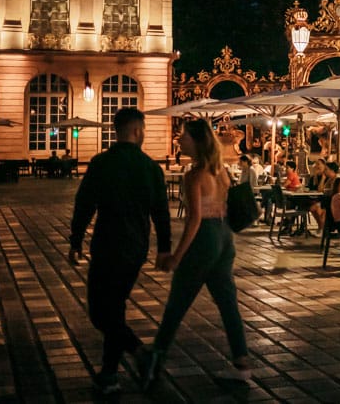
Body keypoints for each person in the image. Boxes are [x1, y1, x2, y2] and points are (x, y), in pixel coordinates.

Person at [68, 107, 171, 395]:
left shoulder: (101, 163)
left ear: (117, 130)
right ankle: (130, 360)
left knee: (102, 312)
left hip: (106, 244)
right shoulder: (151, 168)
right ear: (137, 130)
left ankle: (113, 372)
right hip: (136, 246)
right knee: (112, 309)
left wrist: (76, 239)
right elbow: (161, 213)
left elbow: (84, 203)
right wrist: (164, 248)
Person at [143, 118, 250, 388]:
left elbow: (194, 220)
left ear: (197, 141)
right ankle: (241, 363)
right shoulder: (221, 171)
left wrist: (177, 256)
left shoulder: (195, 176)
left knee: (178, 302)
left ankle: (155, 359)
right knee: (228, 302)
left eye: (184, 137)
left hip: (204, 240)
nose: (179, 140)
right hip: (225, 237)